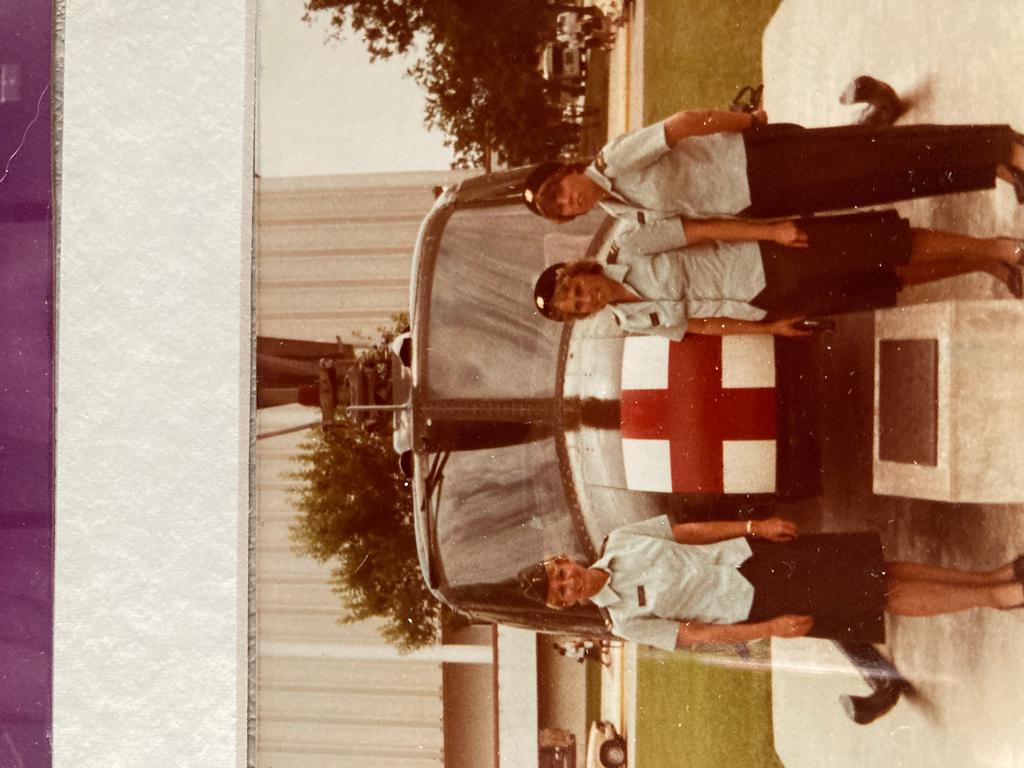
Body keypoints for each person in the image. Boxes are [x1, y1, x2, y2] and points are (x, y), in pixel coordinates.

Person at [517, 515, 1024, 650]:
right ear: (563, 606)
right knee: (880, 596)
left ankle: (994, 578)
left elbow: (690, 533)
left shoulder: (621, 539)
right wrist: (770, 629)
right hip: (757, 601)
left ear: (564, 559)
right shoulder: (625, 621)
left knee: (881, 566)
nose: (569, 584)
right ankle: (995, 598)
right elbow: (700, 634)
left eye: (560, 574)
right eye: (561, 592)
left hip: (753, 556)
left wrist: (754, 526)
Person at [531, 212, 1024, 337]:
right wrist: (769, 327)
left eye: (575, 289)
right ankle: (986, 265)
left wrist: (772, 232)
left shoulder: (630, 245)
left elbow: (701, 231)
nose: (584, 299)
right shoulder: (630, 324)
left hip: (767, 259)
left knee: (887, 244)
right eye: (575, 307)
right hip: (766, 302)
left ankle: (1000, 246)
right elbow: (702, 326)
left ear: (578, 272)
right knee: (889, 279)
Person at [521, 110, 1024, 226]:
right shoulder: (619, 214)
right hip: (760, 200)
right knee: (881, 181)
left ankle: (1004, 144)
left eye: (560, 192)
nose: (570, 202)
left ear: (567, 170)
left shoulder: (615, 160)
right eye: (561, 209)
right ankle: (993, 169)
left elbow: (682, 124)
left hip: (760, 161)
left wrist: (746, 119)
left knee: (882, 150)